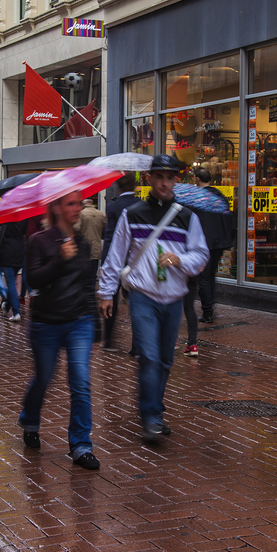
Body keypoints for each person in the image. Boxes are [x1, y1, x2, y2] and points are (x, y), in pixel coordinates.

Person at [98, 155, 209, 442]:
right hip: (142, 297)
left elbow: (201, 256)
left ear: (176, 180)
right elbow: (115, 256)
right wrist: (106, 292)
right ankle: (150, 417)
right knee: (148, 356)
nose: (164, 182)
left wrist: (180, 260)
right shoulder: (132, 214)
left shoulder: (187, 217)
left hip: (173, 300)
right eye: (159, 176)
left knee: (165, 360)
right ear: (149, 179)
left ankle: (155, 410)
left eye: (170, 177)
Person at [19, 191, 100, 470]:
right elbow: (33, 280)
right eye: (71, 203)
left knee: (80, 381)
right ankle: (30, 419)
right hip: (46, 323)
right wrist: (60, 260)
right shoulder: (39, 241)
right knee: (44, 378)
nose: (78, 208)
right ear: (56, 207)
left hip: (79, 321)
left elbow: (88, 286)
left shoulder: (83, 244)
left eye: (79, 203)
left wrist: (96, 326)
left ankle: (81, 444)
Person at [183, 169, 236, 355]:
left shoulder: (197, 198)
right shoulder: (220, 196)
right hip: (219, 242)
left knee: (204, 277)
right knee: (211, 275)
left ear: (197, 179)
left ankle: (207, 312)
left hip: (205, 241)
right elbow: (230, 219)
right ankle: (209, 307)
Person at [100, 173, 142, 351]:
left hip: (116, 257)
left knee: (112, 298)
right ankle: (136, 345)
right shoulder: (141, 205)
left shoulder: (113, 206)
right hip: (135, 259)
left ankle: (108, 339)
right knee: (136, 301)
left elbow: (109, 236)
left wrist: (105, 260)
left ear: (119, 186)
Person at [0, 219, 27, 322]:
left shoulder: (6, 216)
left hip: (8, 249)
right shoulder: (24, 217)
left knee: (10, 282)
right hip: (19, 249)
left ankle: (16, 311)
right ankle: (7, 305)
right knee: (12, 282)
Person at [75, 198, 106, 276]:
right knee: (93, 274)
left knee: (83, 275)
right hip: (96, 248)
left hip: (84, 249)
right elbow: (105, 231)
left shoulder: (80, 214)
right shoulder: (101, 214)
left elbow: (76, 229)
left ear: (83, 204)